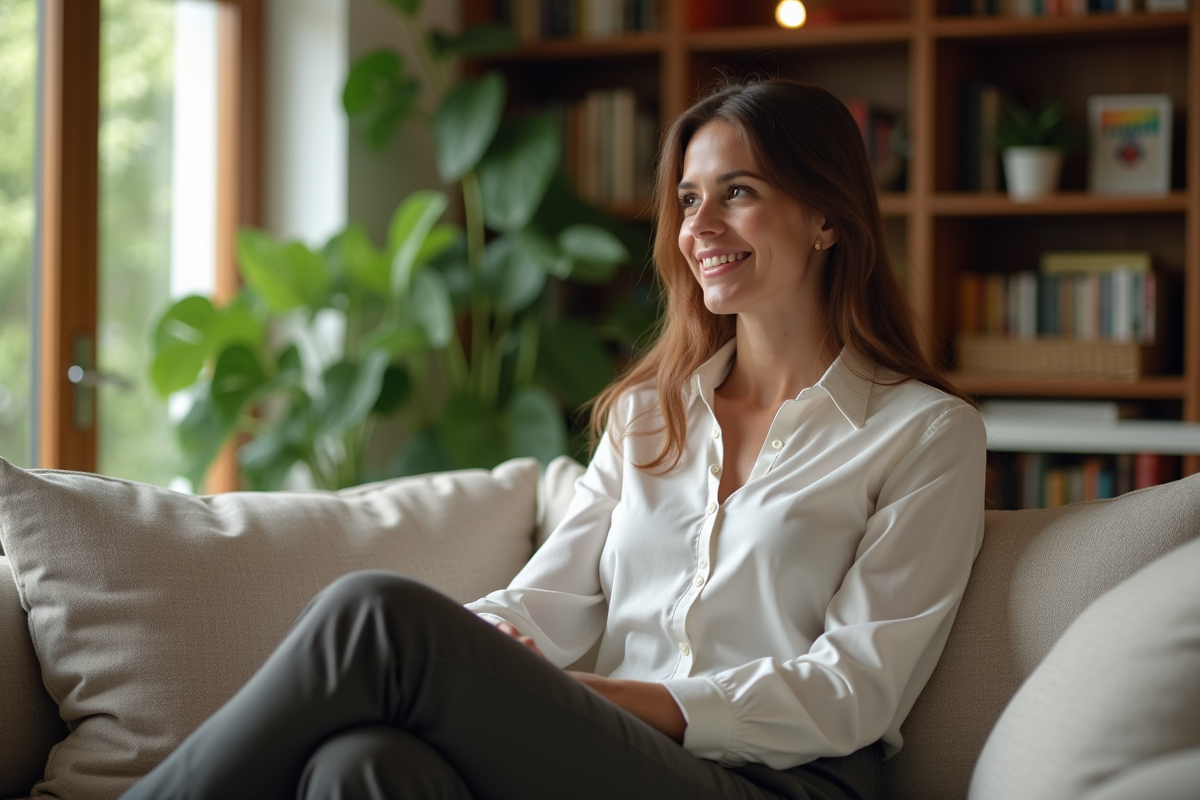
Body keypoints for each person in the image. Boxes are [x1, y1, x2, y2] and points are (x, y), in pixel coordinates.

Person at [121, 79, 985, 800]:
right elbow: (544, 605)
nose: (700, 227)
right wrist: (472, 649)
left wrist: (597, 697)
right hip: (609, 757)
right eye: (689, 199)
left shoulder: (925, 435)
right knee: (364, 768)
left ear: (829, 220)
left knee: (371, 615)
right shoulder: (650, 414)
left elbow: (853, 691)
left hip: (779, 782)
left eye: (740, 192)